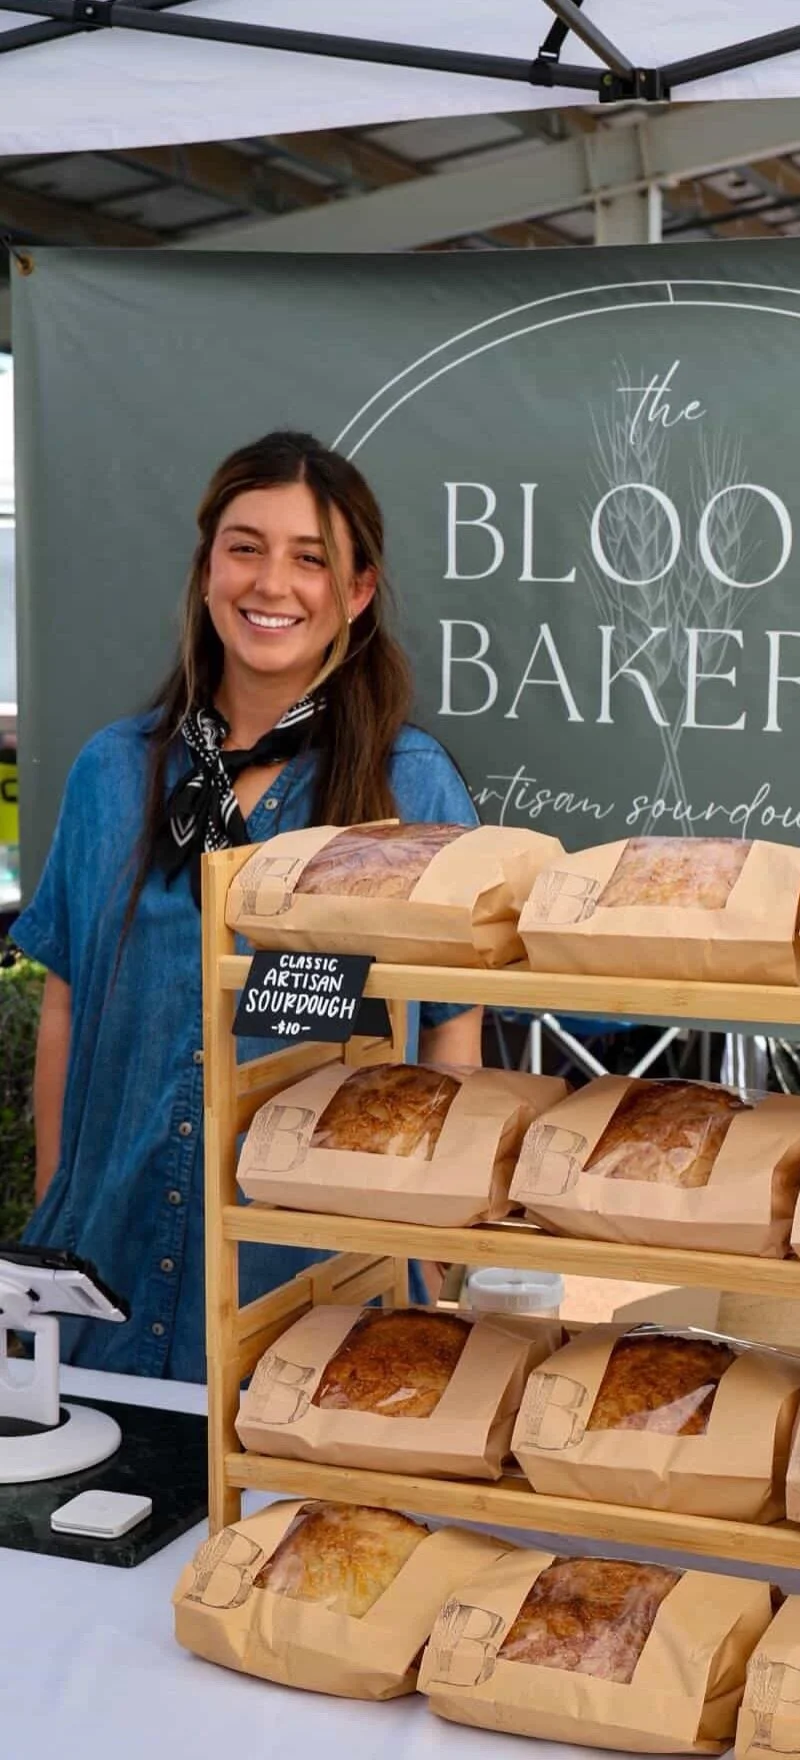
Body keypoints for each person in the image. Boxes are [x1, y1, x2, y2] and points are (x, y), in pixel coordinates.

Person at [11, 430, 482, 1381]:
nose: (273, 583)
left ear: (354, 593)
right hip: (110, 1276)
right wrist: (55, 1216)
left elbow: (452, 1033)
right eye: (245, 547)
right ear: (207, 570)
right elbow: (63, 1008)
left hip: (317, 1293)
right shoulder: (114, 771)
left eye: (311, 558)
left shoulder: (410, 789)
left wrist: (435, 1257)